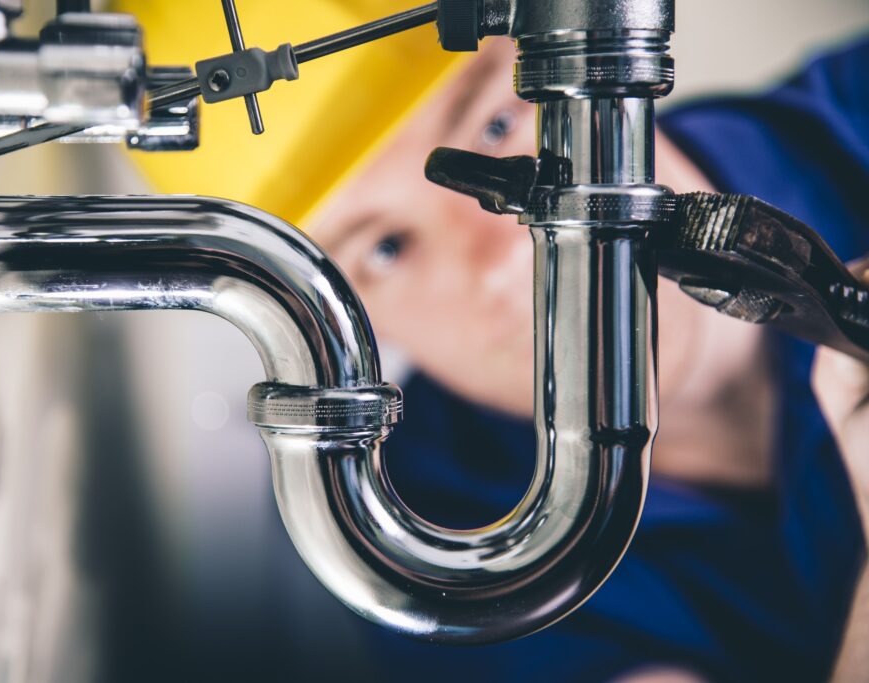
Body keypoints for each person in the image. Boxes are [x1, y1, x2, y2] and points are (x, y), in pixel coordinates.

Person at [126, 2, 869, 679]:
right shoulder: (416, 549)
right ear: (351, 315)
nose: (501, 255)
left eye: (494, 127)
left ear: (609, 66)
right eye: (387, 247)